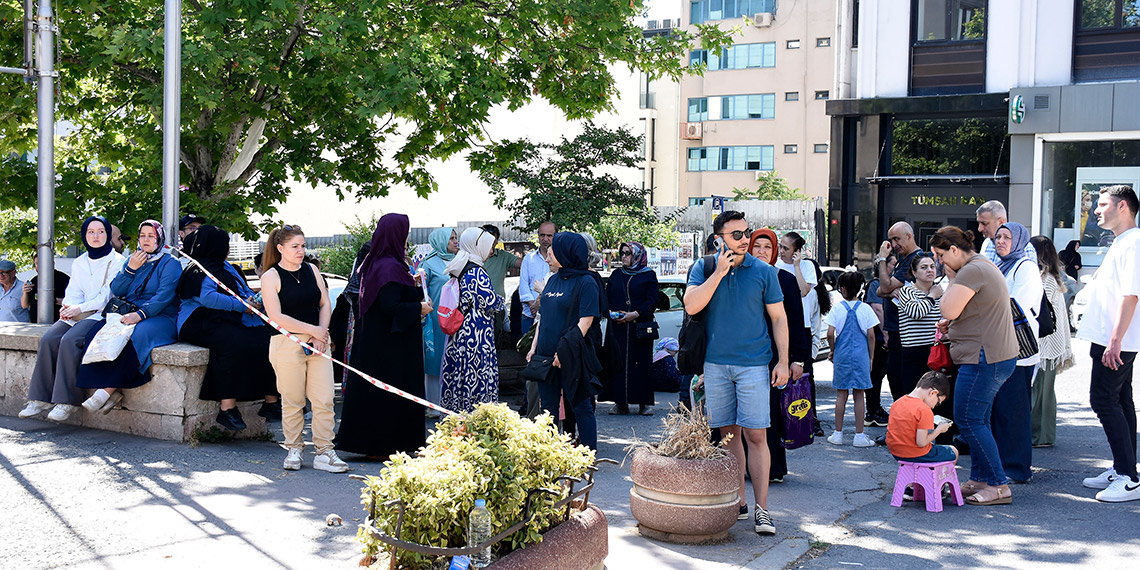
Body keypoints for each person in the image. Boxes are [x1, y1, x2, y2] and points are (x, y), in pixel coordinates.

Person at [684, 210, 790, 535]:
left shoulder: (764, 272)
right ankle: (739, 501)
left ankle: (763, 509)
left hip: (754, 364)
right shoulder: (703, 267)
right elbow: (691, 305)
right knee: (728, 435)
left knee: (757, 435)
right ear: (719, 239)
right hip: (715, 365)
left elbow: (779, 318)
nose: (745, 240)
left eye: (747, 233)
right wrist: (718, 273)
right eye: (737, 235)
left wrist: (783, 361)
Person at [930, 226, 1018, 506]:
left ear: (954, 250)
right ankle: (980, 479)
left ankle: (998, 485)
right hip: (989, 356)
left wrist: (951, 279)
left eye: (941, 255)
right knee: (979, 421)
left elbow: (947, 308)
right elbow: (971, 311)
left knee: (968, 420)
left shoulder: (971, 270)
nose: (939, 262)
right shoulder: (981, 265)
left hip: (983, 358)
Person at [336, 214, 433, 460]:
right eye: (405, 232)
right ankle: (387, 446)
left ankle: (380, 445)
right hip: (391, 348)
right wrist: (418, 308)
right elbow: (389, 306)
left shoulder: (376, 263)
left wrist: (410, 287)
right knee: (391, 394)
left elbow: (386, 298)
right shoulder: (390, 266)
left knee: (378, 395)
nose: (407, 237)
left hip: (377, 344)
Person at [21, 217, 125, 422]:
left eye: (101, 231)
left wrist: (79, 308)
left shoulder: (118, 261)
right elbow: (74, 290)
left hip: (101, 314)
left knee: (70, 340)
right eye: (91, 232)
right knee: (49, 338)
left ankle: (67, 401)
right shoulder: (80, 261)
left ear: (107, 234)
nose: (96, 236)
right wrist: (68, 307)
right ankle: (40, 398)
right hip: (78, 312)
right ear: (84, 235)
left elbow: (106, 296)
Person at [260, 224, 346, 473]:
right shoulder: (271, 277)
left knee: (324, 398)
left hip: (317, 342)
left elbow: (325, 303)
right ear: (280, 248)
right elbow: (276, 316)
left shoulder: (311, 270)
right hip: (287, 343)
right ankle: (294, 448)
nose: (301, 251)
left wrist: (321, 333)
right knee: (293, 400)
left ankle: (324, 450)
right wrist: (313, 330)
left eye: (303, 246)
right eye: (295, 246)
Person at [176, 225, 280, 430]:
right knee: (232, 342)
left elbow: (242, 289)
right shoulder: (198, 269)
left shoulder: (227, 267)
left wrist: (252, 301)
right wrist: (242, 306)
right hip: (199, 321)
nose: (228, 248)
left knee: (265, 339)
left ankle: (271, 402)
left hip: (225, 318)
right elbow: (208, 298)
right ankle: (227, 408)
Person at [1075, 185, 1140, 502]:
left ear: (1122, 206)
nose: (1096, 210)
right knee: (1120, 400)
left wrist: (1115, 341)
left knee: (1103, 400)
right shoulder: (1122, 242)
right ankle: (1124, 468)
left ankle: (1129, 477)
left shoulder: (1133, 243)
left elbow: (1131, 296)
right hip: (1110, 337)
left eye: (1102, 204)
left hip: (1115, 340)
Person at [77, 221, 183, 413]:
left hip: (160, 315)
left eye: (151, 236)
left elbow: (164, 296)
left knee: (136, 335)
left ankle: (106, 391)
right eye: (142, 235)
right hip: (129, 311)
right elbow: (117, 289)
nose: (146, 240)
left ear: (159, 238)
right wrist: (130, 269)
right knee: (96, 332)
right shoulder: (132, 260)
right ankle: (105, 388)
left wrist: (140, 315)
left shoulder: (170, 263)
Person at [526, 232, 603, 450]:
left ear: (567, 254)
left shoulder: (587, 282)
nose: (547, 258)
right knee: (547, 410)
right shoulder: (553, 280)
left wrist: (563, 351)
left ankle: (588, 454)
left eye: (552, 254)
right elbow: (544, 317)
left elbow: (585, 323)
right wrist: (534, 347)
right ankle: (550, 454)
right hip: (545, 357)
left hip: (571, 355)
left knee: (580, 406)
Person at [749, 228, 810, 483]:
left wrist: (797, 360)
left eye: (768, 247)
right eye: (757, 246)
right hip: (745, 354)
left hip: (776, 356)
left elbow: (796, 322)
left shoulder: (784, 279)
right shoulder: (740, 276)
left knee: (771, 411)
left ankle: (771, 468)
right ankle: (741, 467)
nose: (762, 252)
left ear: (775, 251)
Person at [992, 222, 1043, 484]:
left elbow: (1018, 305)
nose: (1000, 241)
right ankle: (1001, 463)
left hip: (1018, 350)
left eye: (1007, 237)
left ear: (1020, 241)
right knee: (1000, 408)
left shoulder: (1026, 267)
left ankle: (1017, 467)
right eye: (998, 236)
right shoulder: (1001, 266)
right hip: (998, 347)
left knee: (1014, 409)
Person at [440, 227, 505, 413]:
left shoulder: (462, 266)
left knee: (461, 377)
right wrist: (501, 300)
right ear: (478, 246)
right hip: (476, 338)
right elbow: (490, 302)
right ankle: (475, 421)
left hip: (461, 334)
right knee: (476, 377)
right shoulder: (477, 272)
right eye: (488, 246)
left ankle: (459, 418)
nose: (491, 251)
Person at [602, 241, 659, 416]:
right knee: (617, 362)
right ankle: (621, 403)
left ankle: (644, 403)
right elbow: (607, 298)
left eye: (628, 253)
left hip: (639, 328)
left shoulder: (648, 275)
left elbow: (652, 300)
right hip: (618, 328)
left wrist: (635, 314)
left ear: (637, 256)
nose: (624, 257)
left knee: (641, 365)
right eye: (623, 253)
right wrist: (613, 314)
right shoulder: (616, 275)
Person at [1029, 235, 1073, 448]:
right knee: (1044, 391)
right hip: (1051, 343)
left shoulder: (1044, 280)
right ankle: (1043, 435)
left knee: (1039, 392)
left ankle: (1039, 435)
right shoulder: (1052, 277)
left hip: (1044, 344)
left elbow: (1038, 313)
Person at [825, 271, 877, 448]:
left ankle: (837, 434)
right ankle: (859, 435)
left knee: (841, 394)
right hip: (861, 355)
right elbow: (871, 335)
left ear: (843, 288)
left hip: (842, 355)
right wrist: (871, 356)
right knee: (859, 394)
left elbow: (830, 333)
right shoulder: (865, 308)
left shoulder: (837, 308)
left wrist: (833, 350)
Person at [776, 232, 822, 435]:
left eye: (786, 248)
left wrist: (796, 266)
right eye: (781, 246)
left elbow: (804, 290)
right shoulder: (775, 265)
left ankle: (810, 418)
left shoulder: (806, 266)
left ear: (797, 251)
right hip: (780, 322)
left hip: (801, 325)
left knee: (805, 374)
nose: (782, 251)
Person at [875, 222, 924, 401]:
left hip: (907, 331)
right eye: (891, 240)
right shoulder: (903, 259)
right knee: (894, 375)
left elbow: (885, 286)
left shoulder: (915, 259)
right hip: (896, 330)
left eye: (896, 239)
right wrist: (889, 293)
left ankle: (908, 415)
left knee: (902, 378)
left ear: (909, 236)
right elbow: (880, 290)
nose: (894, 245)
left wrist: (882, 259)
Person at [419, 227, 458, 416]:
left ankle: (452, 403)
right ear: (441, 242)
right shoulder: (428, 264)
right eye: (451, 238)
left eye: (455, 238)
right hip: (435, 320)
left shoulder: (460, 260)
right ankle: (434, 405)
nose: (455, 241)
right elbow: (422, 291)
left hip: (456, 318)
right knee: (434, 360)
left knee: (454, 358)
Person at [895, 253, 943, 398]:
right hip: (914, 352)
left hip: (936, 351)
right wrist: (932, 296)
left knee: (937, 397)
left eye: (932, 266)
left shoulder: (941, 291)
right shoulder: (907, 291)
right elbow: (917, 312)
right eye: (924, 267)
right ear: (914, 272)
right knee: (915, 398)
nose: (929, 270)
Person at [519, 221, 555, 417]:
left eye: (549, 235)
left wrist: (541, 304)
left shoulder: (557, 260)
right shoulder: (529, 259)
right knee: (530, 361)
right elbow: (523, 285)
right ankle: (530, 404)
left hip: (547, 318)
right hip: (529, 316)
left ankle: (546, 406)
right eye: (542, 235)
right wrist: (533, 304)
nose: (545, 239)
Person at [886, 371, 958, 463]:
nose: (934, 406)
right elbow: (921, 443)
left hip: (896, 452)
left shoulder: (898, 402)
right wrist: (939, 430)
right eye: (938, 402)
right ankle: (939, 473)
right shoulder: (924, 410)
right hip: (915, 454)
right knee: (953, 451)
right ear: (933, 393)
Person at [862, 254, 894, 427]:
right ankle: (872, 411)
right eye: (893, 264)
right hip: (878, 337)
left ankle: (876, 407)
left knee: (881, 375)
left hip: (883, 336)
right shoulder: (876, 284)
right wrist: (886, 333)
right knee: (875, 375)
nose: (895, 267)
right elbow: (878, 309)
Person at [976, 200, 1036, 265]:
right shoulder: (987, 243)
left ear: (1001, 222)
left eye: (984, 223)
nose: (980, 229)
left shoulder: (1025, 247)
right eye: (979, 223)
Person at [20, 253, 70, 323]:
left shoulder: (64, 279)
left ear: (53, 264)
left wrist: (53, 300)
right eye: (37, 264)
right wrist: (25, 292)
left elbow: (72, 303)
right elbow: (24, 305)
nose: (41, 266)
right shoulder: (34, 280)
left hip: (57, 324)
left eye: (43, 263)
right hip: (36, 324)